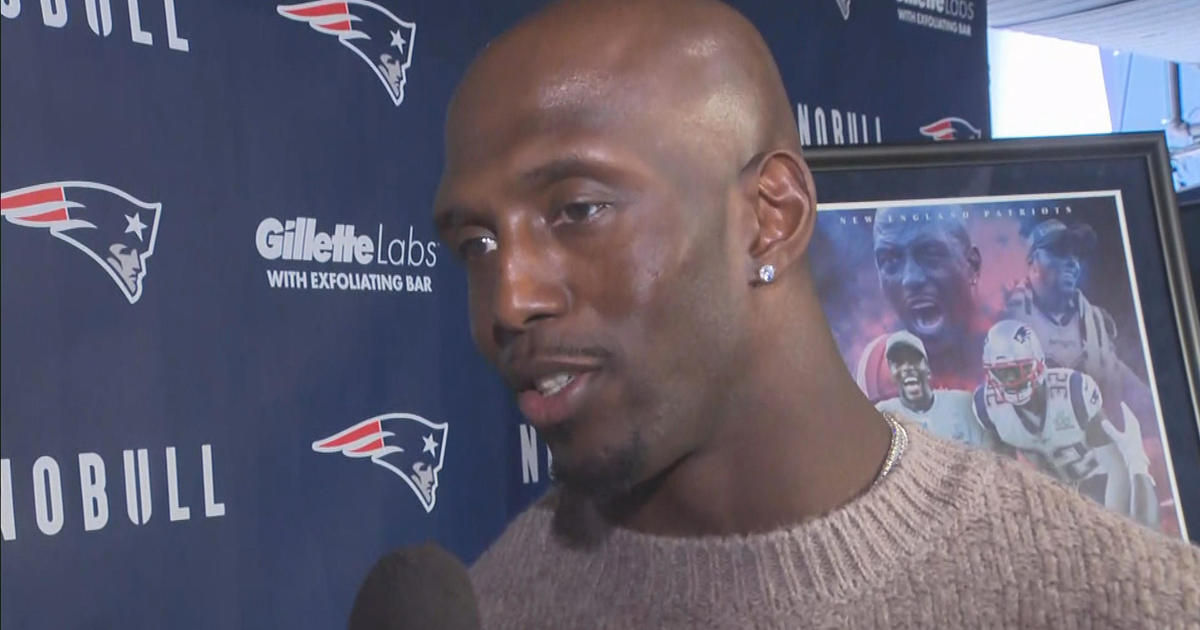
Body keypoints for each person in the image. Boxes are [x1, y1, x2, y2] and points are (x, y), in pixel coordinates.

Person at [432, 0, 1199, 627]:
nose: (509, 298)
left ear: (772, 216)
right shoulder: (494, 607)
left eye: (578, 209)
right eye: (476, 243)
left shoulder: (1115, 600)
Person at [972, 319, 1159, 529]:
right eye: (1002, 373)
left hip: (1101, 483)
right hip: (1056, 496)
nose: (1010, 380)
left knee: (1141, 526)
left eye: (1018, 370)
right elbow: (1005, 477)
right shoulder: (988, 408)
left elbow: (1116, 470)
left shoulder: (1074, 392)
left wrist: (1112, 524)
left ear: (1038, 363)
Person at [1003, 218, 1156, 427]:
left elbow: (1132, 391)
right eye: (1060, 251)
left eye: (1076, 253)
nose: (1072, 262)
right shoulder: (1001, 321)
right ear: (1033, 261)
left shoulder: (1098, 327)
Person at [856, 208, 988, 400]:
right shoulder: (875, 366)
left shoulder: (1017, 351)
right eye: (891, 260)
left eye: (931, 254)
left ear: (972, 265)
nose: (910, 280)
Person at [874, 330, 994, 449]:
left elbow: (993, 458)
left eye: (913, 359)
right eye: (898, 363)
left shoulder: (964, 404)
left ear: (927, 369)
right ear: (891, 374)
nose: (907, 368)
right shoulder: (885, 414)